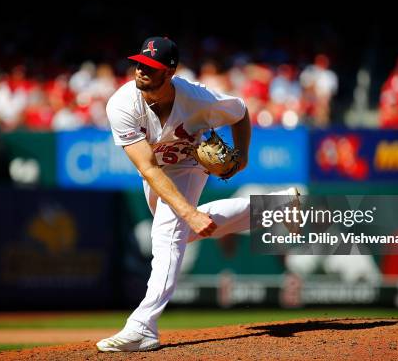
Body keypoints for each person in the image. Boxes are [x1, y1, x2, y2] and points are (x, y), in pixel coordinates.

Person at [96, 36, 298, 352]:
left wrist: (242, 155)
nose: (141, 71)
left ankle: (142, 326)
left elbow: (240, 111)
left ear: (170, 71)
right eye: (139, 63)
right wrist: (190, 213)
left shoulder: (198, 99)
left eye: (151, 66)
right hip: (156, 172)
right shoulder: (121, 105)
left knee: (166, 235)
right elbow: (149, 169)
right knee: (183, 230)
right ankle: (276, 207)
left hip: (189, 164)